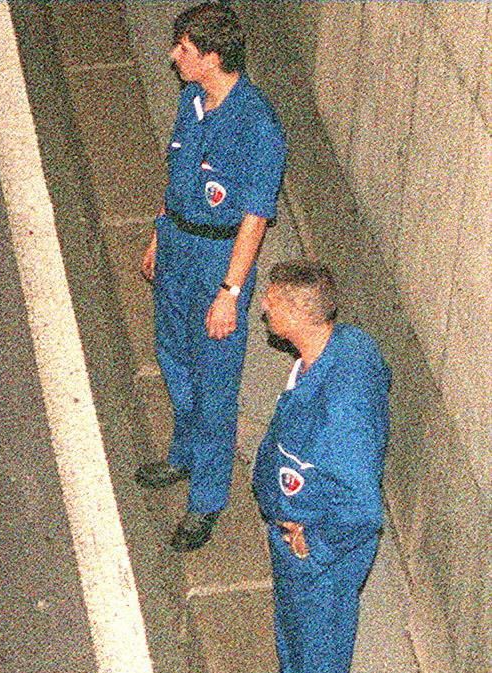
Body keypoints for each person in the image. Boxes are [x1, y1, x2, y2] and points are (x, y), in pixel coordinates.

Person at [229, 260, 390, 673]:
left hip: (319, 551)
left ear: (299, 313)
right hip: (294, 537)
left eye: (270, 302)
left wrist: (313, 543)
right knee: (292, 634)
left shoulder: (341, 407)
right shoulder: (348, 348)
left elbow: (361, 506)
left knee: (322, 670)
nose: (263, 309)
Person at [137, 3, 286, 552]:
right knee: (172, 353)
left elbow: (254, 218)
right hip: (177, 243)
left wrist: (231, 292)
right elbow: (176, 175)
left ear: (212, 57)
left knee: (216, 382)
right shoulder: (191, 100)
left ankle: (206, 499)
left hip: (216, 261)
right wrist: (159, 233)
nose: (174, 56)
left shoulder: (258, 128)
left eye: (184, 49)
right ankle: (183, 453)